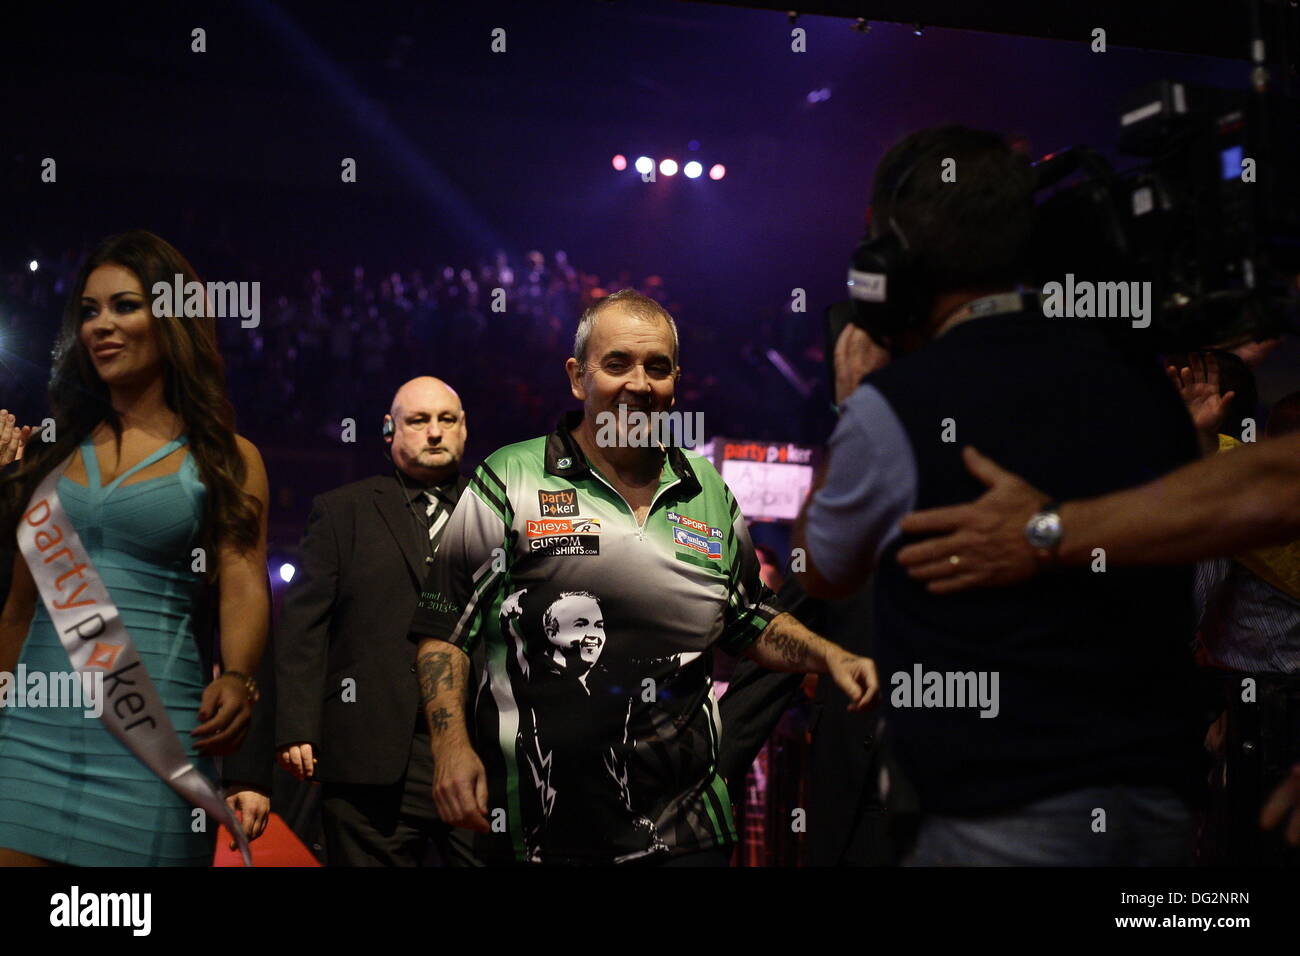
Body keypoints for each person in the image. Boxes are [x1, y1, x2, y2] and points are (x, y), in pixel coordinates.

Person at [796, 125, 1206, 865]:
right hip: (1161, 803)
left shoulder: (896, 405)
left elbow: (823, 568)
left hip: (997, 814)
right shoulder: (1146, 383)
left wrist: (854, 396)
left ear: (892, 259)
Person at [409, 288, 879, 865]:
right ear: (577, 377)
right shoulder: (511, 477)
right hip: (538, 830)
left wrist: (827, 656)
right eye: (617, 364)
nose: (638, 383)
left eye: (657, 367)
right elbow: (444, 628)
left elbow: (748, 617)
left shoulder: (706, 489)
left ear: (676, 382)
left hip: (686, 834)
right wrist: (451, 746)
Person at [0, 230, 270, 866]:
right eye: (89, 311)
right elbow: (17, 608)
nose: (101, 326)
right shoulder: (54, 451)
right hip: (30, 737)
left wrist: (238, 676)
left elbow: (243, 582)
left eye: (124, 306)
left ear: (171, 317)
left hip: (155, 735)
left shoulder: (227, 458)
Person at [275, 376, 479, 866]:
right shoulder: (342, 511)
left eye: (446, 420)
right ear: (390, 431)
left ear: (464, 430)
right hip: (367, 753)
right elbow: (305, 626)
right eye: (419, 420)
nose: (434, 432)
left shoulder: (498, 507)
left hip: (477, 749)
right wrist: (298, 725)